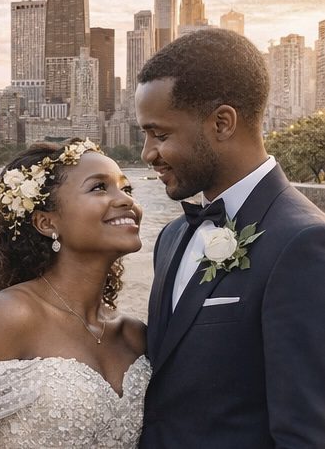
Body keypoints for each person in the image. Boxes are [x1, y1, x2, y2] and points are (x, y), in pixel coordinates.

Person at [134, 29, 325, 449]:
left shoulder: (304, 244)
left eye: (160, 134)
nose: (147, 153)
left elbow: (306, 433)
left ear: (222, 122)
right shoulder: (171, 237)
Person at [0, 138, 150, 448]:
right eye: (99, 187)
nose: (125, 200)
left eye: (126, 188)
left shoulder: (134, 335)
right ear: (46, 222)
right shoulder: (8, 316)